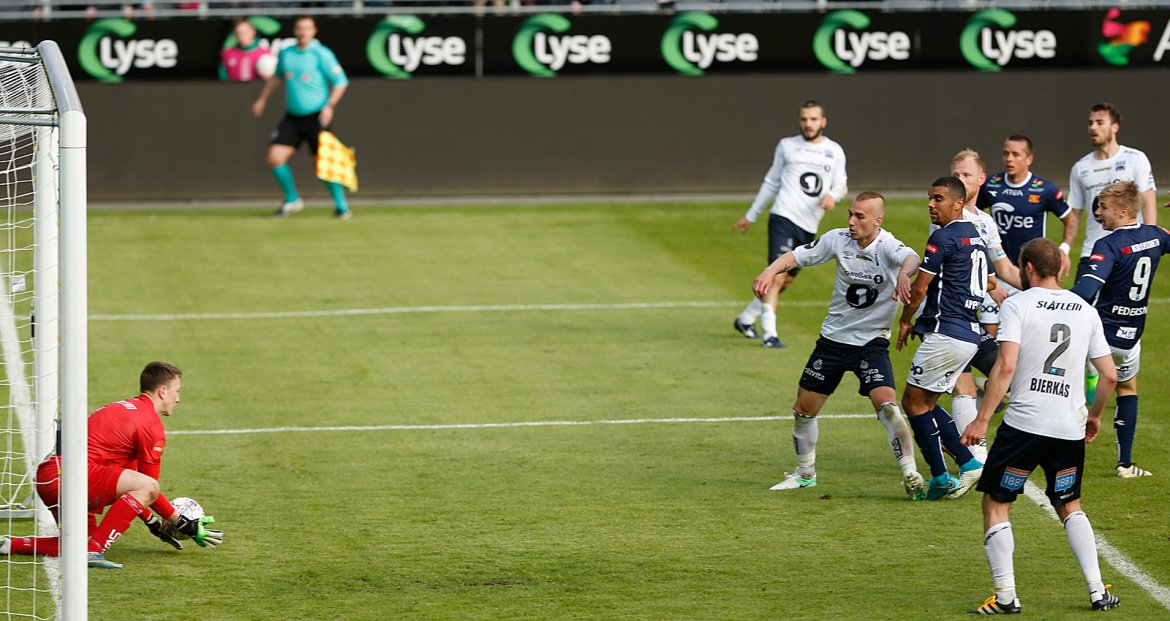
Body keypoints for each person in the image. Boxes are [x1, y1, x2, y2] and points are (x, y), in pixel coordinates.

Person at [961, 238, 1120, 614]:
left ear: (1028, 268)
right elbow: (1110, 376)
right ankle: (1098, 591)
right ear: (1061, 268)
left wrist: (982, 419)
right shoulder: (1085, 309)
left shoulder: (1017, 304)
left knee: (997, 503)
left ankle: (1006, 597)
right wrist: (1094, 416)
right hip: (1068, 427)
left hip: (1024, 426)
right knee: (1069, 503)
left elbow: (1006, 366)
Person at [752, 192, 925, 498]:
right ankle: (805, 474)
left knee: (887, 406)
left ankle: (910, 473)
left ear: (877, 221)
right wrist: (769, 270)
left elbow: (912, 258)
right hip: (832, 342)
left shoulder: (888, 246)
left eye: (860, 216)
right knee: (803, 410)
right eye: (850, 214)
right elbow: (796, 256)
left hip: (871, 344)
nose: (851, 221)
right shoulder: (837, 239)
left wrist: (903, 273)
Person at [0, 362, 223, 568]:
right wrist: (181, 522)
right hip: (68, 477)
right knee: (147, 487)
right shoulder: (151, 426)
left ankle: (8, 544)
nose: (178, 399)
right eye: (177, 391)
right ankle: (94, 551)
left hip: (49, 477)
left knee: (76, 543)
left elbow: (129, 485)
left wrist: (153, 521)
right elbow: (149, 487)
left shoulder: (124, 408)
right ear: (163, 391)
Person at [896, 176, 993, 501]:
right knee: (928, 401)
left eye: (938, 198)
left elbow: (920, 287)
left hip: (946, 332)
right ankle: (966, 462)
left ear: (957, 203)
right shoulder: (976, 236)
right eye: (929, 197)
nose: (930, 204)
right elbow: (989, 283)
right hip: (969, 333)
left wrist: (906, 320)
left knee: (913, 402)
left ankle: (940, 476)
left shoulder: (943, 237)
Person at [1070, 180, 1170, 478]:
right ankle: (1125, 464)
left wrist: (1049, 297)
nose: (1097, 213)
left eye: (1103, 208)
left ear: (1124, 211)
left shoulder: (1108, 245)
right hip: (1131, 336)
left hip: (1098, 333)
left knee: (1066, 390)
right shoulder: (1155, 236)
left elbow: (1088, 289)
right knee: (1127, 389)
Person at [732, 100, 848, 348]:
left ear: (823, 121)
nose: (809, 124)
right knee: (775, 275)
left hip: (808, 225)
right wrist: (751, 215)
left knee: (786, 280)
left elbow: (841, 184)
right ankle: (770, 335)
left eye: (814, 119)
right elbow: (771, 182)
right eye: (805, 119)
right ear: (800, 121)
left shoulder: (835, 151)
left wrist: (833, 196)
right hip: (783, 217)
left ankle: (746, 318)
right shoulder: (787, 146)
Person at [1068, 103, 1157, 404]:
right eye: (1090, 122)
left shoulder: (1136, 159)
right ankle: (1084, 382)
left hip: (1128, 254)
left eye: (1099, 122)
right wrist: (1067, 247)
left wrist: (1150, 240)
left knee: (1120, 317)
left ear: (1114, 126)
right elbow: (1076, 214)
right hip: (1093, 253)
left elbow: (1148, 202)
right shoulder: (1081, 167)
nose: (1093, 127)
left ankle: (1106, 371)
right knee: (1079, 319)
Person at [943, 150, 1022, 470]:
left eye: (965, 175)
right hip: (950, 314)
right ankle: (975, 457)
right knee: (958, 385)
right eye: (955, 174)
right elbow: (957, 267)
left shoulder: (986, 222)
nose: (958, 180)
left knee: (1007, 377)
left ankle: (968, 451)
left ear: (980, 180)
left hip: (979, 312)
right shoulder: (949, 214)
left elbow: (1004, 266)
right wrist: (991, 284)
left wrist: (1041, 286)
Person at [251, 15, 351, 220]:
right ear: (295, 30)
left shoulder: (321, 53)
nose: (303, 31)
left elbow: (341, 81)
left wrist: (330, 106)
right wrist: (262, 99)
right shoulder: (287, 53)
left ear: (314, 31)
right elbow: (276, 77)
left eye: (307, 28)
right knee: (274, 158)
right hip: (294, 117)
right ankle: (292, 200)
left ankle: (342, 207)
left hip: (317, 116)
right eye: (299, 28)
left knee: (322, 165)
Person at [980, 135, 1075, 278]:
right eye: (1006, 153)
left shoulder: (1046, 189)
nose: (1009, 159)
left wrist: (1064, 249)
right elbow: (973, 213)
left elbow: (1070, 220)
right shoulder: (990, 184)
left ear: (1029, 159)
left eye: (1016, 154)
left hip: (1034, 272)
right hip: (998, 270)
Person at [221, 18, 273, 83]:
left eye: (245, 32)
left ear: (253, 31)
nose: (242, 36)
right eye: (239, 33)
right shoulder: (227, 53)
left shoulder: (265, 53)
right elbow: (222, 77)